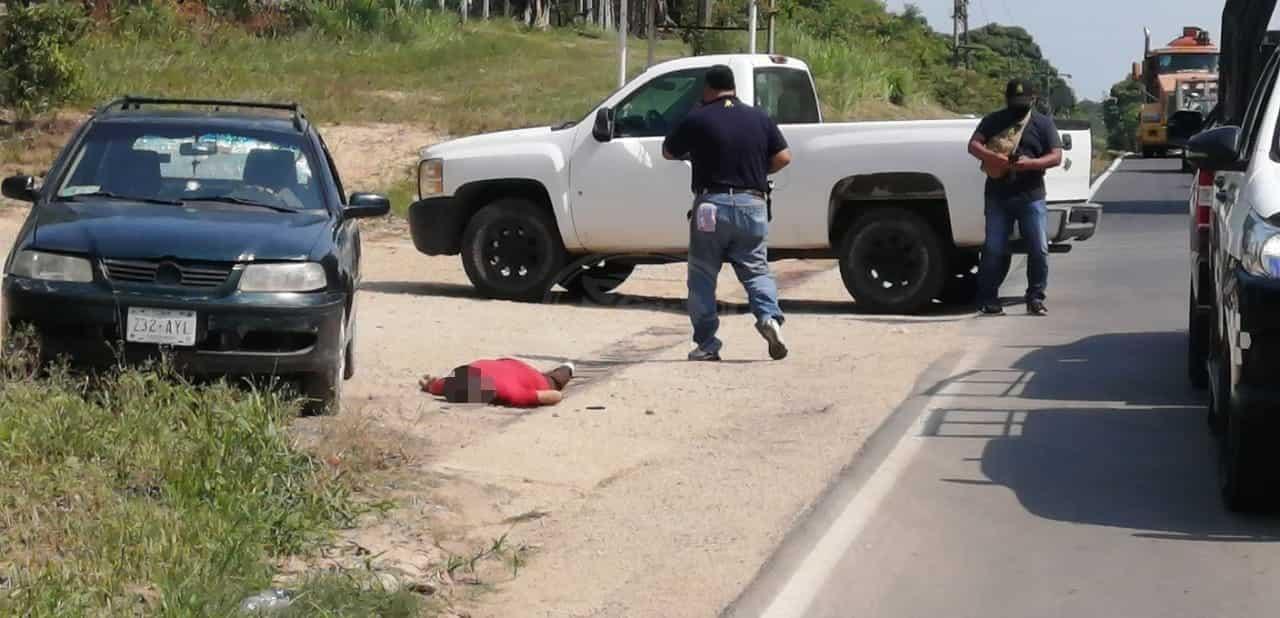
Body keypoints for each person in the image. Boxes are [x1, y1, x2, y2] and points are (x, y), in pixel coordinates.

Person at [661, 65, 793, 361]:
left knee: (703, 277)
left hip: (712, 205)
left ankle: (707, 344)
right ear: (733, 87)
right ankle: (769, 318)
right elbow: (784, 157)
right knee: (757, 270)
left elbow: (668, 151)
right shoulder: (759, 117)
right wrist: (757, 170)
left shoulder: (698, 117)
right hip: (753, 203)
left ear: (708, 88)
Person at [967, 78, 1064, 317]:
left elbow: (1056, 156)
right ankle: (988, 299)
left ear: (1033, 99)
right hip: (998, 195)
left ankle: (1035, 298)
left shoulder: (1043, 124)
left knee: (1039, 249)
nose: (1018, 106)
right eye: (1014, 101)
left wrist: (1031, 164)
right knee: (993, 249)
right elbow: (973, 145)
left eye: (1023, 101)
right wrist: (994, 158)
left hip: (1031, 195)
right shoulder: (994, 120)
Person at [419, 358, 574, 407]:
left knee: (554, 380)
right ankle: (567, 367)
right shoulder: (449, 384)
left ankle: (568, 367)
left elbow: (555, 395)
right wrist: (430, 385)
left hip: (533, 377)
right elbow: (433, 385)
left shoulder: (508, 392)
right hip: (505, 363)